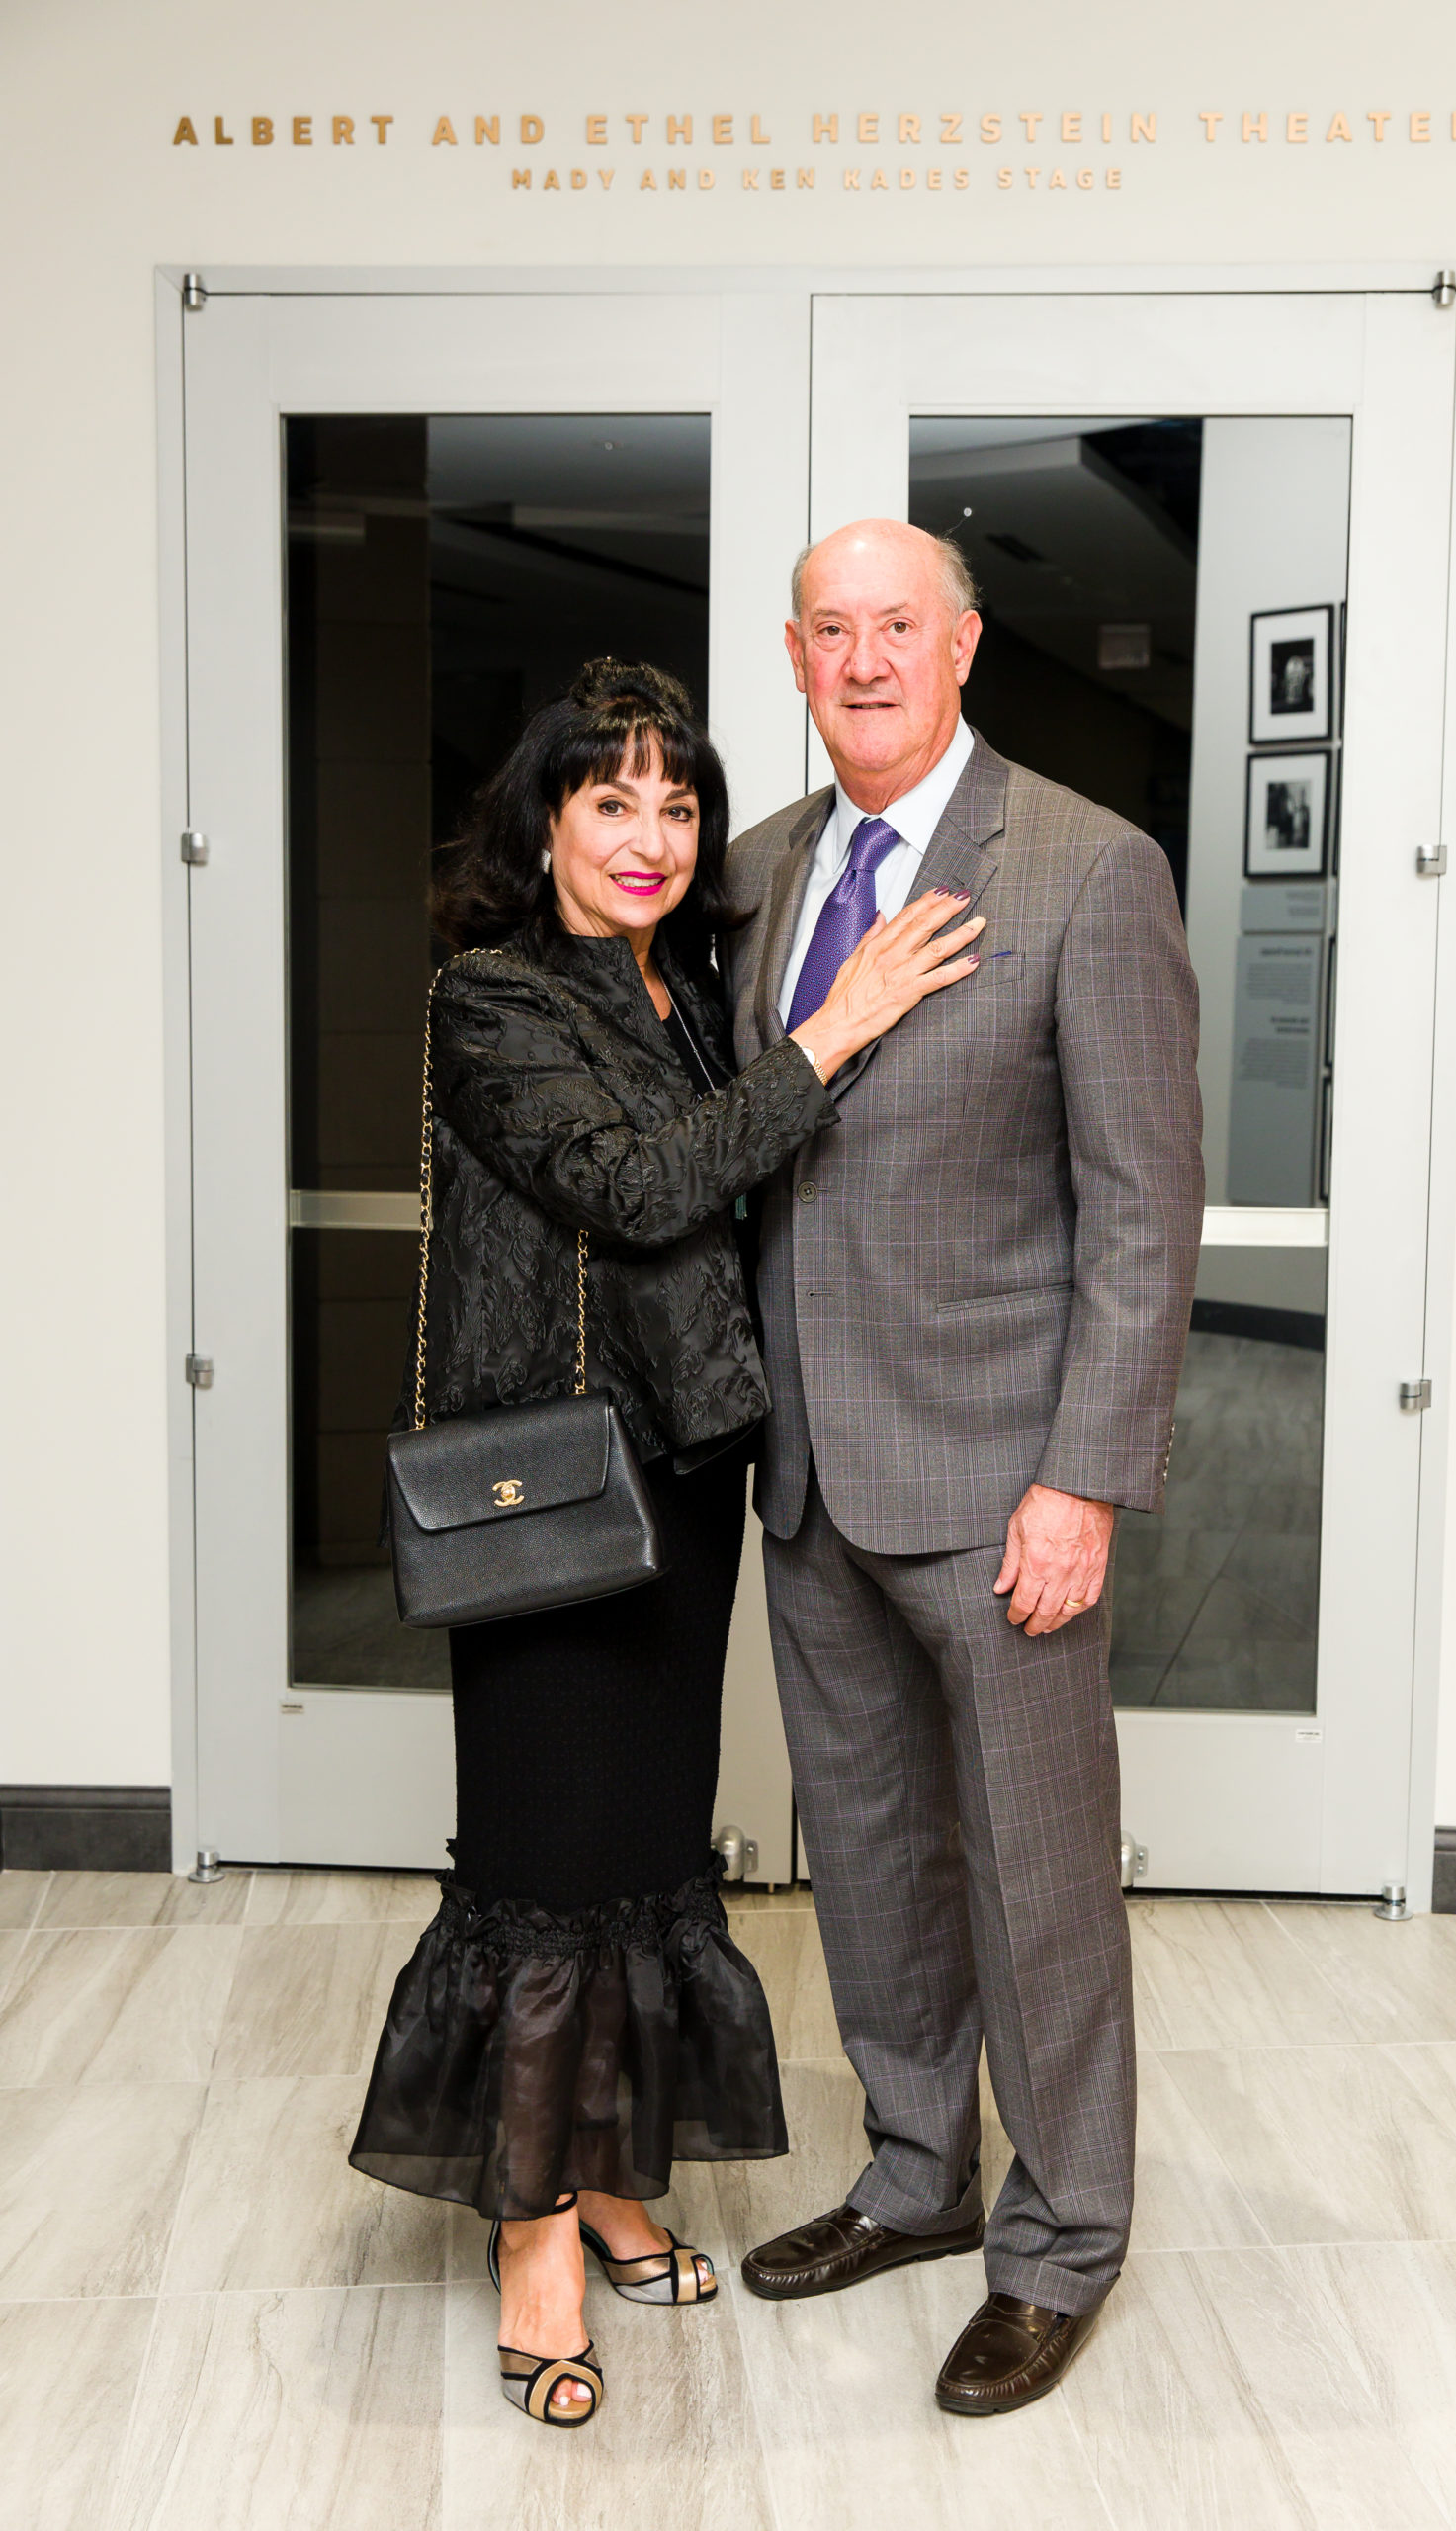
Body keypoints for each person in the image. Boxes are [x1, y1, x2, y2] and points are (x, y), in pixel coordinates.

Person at [348, 657, 985, 2428]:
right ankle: (534, 2228)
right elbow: (638, 1187)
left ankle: (611, 2171)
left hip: (687, 1479)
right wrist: (839, 1024)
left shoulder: (697, 982)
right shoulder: (489, 999)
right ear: (542, 820)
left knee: (639, 1844)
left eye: (676, 803)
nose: (646, 837)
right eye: (607, 799)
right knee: (545, 1859)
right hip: (546, 1496)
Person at [726, 525, 1204, 2415]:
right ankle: (917, 2173)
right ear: (793, 654)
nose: (864, 658)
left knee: (1039, 1878)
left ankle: (1063, 2236)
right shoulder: (755, 872)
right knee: (868, 1860)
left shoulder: (1087, 867)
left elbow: (1145, 1210)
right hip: (809, 1477)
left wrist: (1084, 1475)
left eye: (896, 626)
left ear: (964, 643)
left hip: (1007, 1481)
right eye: (831, 630)